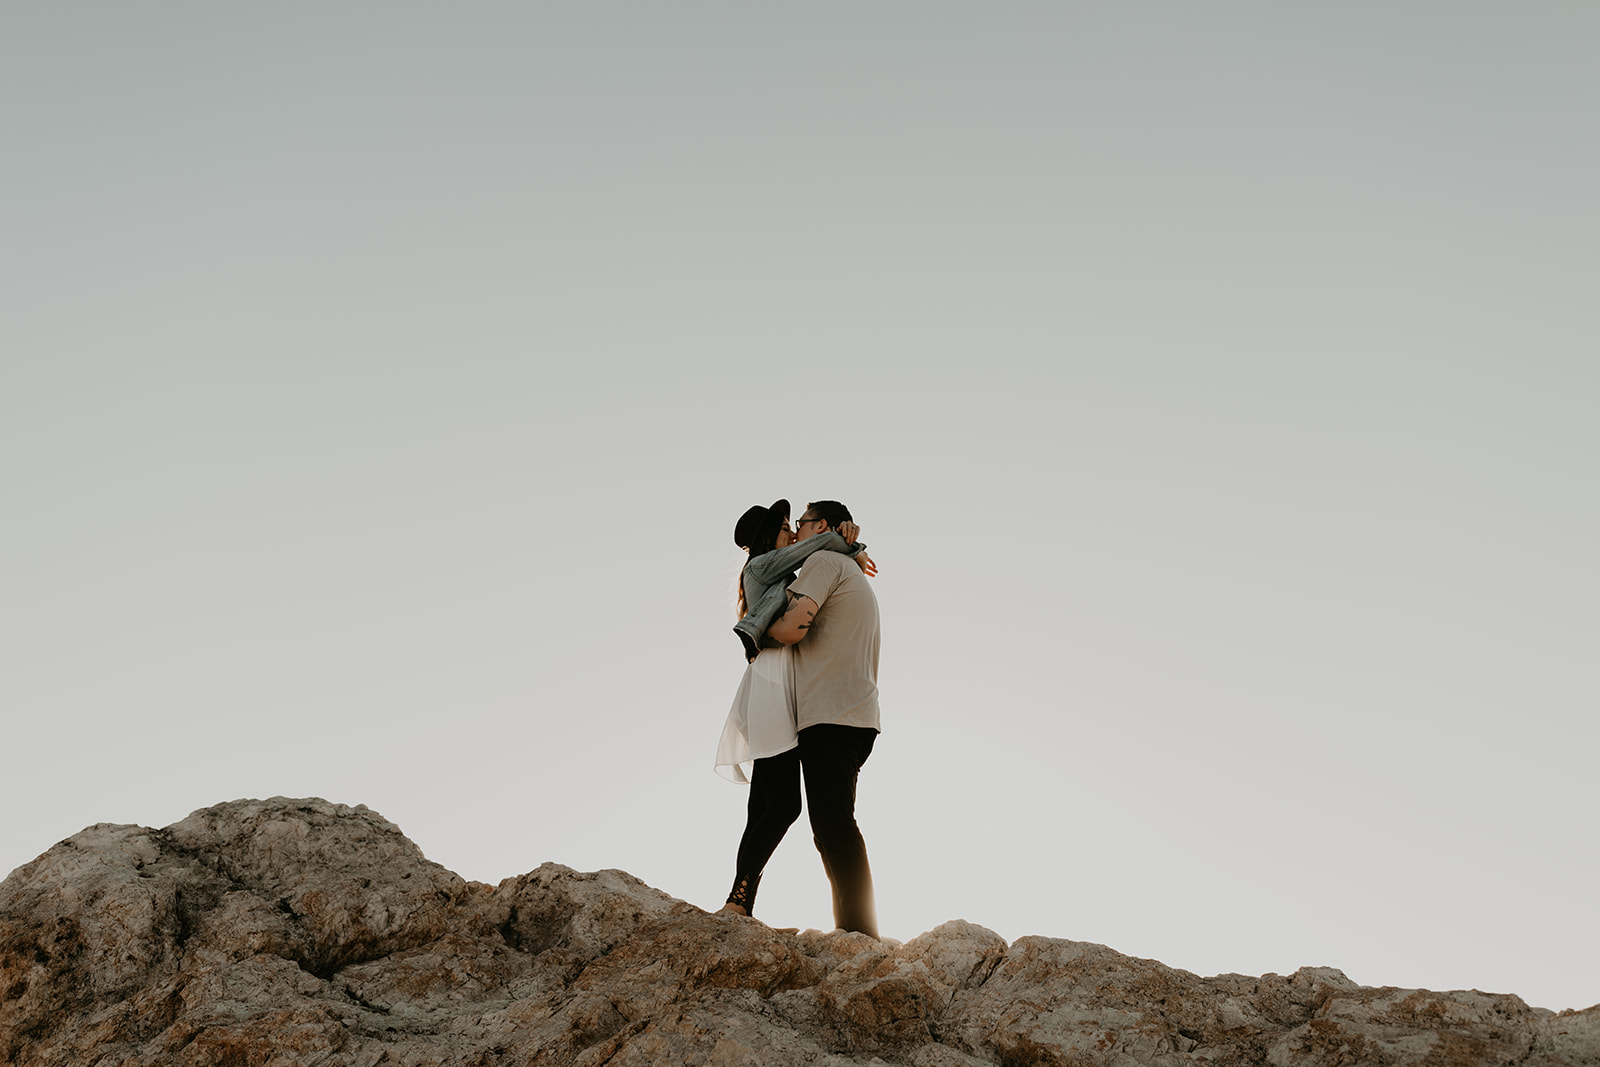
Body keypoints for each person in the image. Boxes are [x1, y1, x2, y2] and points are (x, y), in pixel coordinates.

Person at [715, 499, 874, 923]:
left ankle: (739, 902)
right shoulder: (761, 566)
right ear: (769, 538)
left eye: (794, 524)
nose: (791, 532)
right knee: (782, 804)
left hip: (782, 684)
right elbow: (807, 556)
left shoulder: (785, 573)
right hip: (773, 682)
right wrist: (845, 542)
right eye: (786, 526)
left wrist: (848, 546)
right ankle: (738, 900)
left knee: (768, 801)